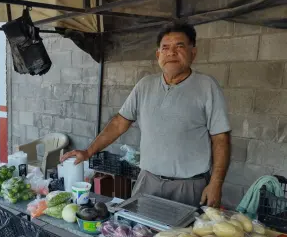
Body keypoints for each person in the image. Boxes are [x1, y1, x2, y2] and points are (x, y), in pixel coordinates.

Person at [62, 21, 231, 208]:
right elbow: (119, 123)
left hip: (189, 186)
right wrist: (88, 151)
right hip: (148, 182)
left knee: (184, 236)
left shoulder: (207, 87)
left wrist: (216, 183)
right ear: (158, 55)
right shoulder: (145, 85)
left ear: (193, 52)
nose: (171, 52)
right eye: (165, 48)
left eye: (179, 46)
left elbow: (221, 138)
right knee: (140, 235)